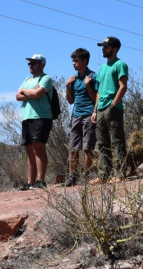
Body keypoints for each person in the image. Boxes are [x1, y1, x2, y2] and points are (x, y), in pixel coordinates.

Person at [91, 37, 128, 181]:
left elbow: (123, 87)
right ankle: (103, 176)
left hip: (113, 108)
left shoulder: (120, 65)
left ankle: (120, 174)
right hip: (100, 108)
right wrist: (95, 110)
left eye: (106, 47)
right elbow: (99, 91)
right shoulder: (102, 68)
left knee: (117, 141)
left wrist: (113, 105)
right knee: (102, 143)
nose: (102, 49)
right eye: (103, 47)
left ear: (114, 48)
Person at [16, 54, 54, 190]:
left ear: (42, 64)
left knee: (39, 148)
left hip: (41, 117)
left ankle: (40, 181)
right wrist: (30, 91)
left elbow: (38, 94)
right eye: (29, 63)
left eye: (34, 63)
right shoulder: (27, 79)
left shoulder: (46, 79)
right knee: (29, 150)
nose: (31, 65)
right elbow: (17, 96)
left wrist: (26, 92)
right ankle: (30, 182)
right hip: (26, 117)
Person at [62, 48, 97, 187]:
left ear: (85, 61)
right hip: (76, 115)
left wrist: (88, 85)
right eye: (73, 60)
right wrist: (67, 86)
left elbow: (96, 98)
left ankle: (86, 175)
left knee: (88, 147)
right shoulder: (74, 79)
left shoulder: (92, 76)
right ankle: (72, 176)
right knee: (73, 147)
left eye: (76, 60)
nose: (74, 63)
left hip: (89, 114)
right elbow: (70, 101)